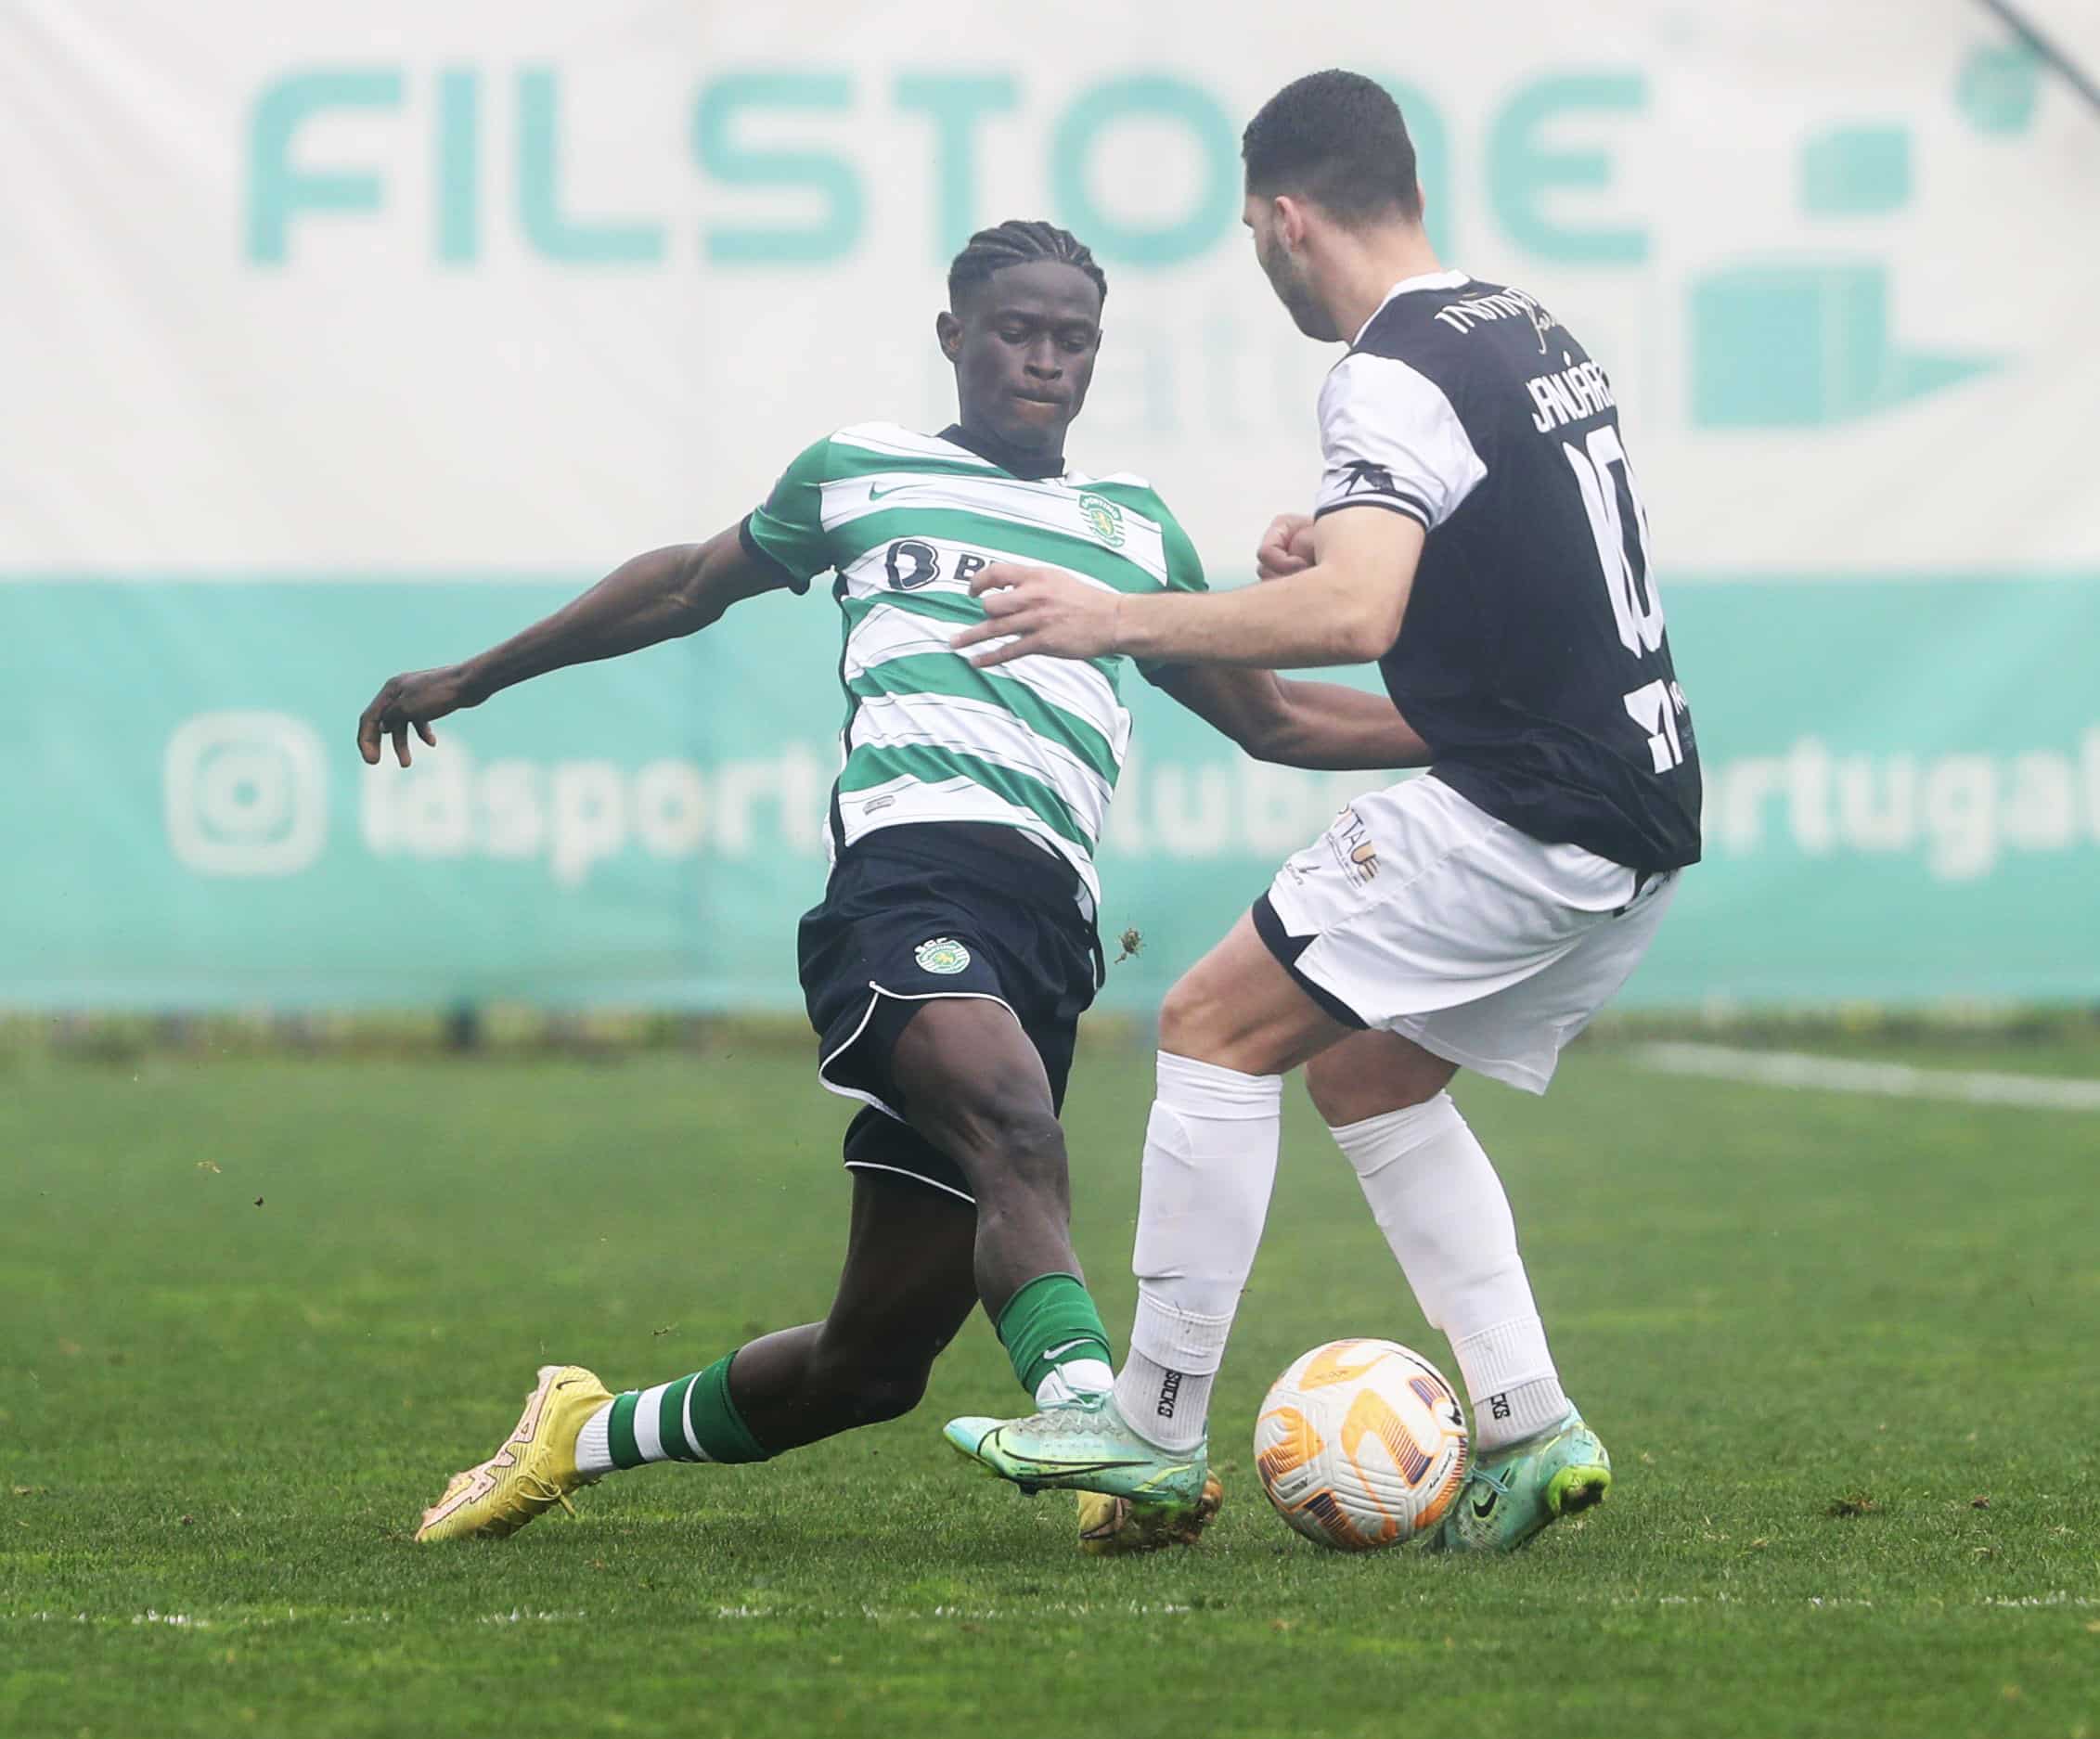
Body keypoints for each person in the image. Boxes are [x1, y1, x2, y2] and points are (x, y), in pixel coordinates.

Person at [354, 218, 1430, 1547]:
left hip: (1049, 926)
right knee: (1015, 1124)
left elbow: (1277, 721)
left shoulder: (1133, 528)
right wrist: (476, 675)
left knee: (868, 1365)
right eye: (1017, 332)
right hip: (907, 882)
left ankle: (581, 1430)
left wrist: (1476, 733)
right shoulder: (861, 471)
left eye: (1074, 339)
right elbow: (686, 585)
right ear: (954, 335)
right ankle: (1107, 1428)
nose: (1046, 360)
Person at [942, 75, 1703, 1553]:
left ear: (1289, 220)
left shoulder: (1387, 368)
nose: (1260, 259)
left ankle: (1151, 1424)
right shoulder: (1525, 325)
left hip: (1530, 809)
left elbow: (1358, 612)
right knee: (1365, 1072)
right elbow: (1496, 556)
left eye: (1250, 234)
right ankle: (1531, 1423)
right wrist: (1356, 542)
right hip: (1641, 804)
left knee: (1210, 1022)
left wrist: (1116, 616)